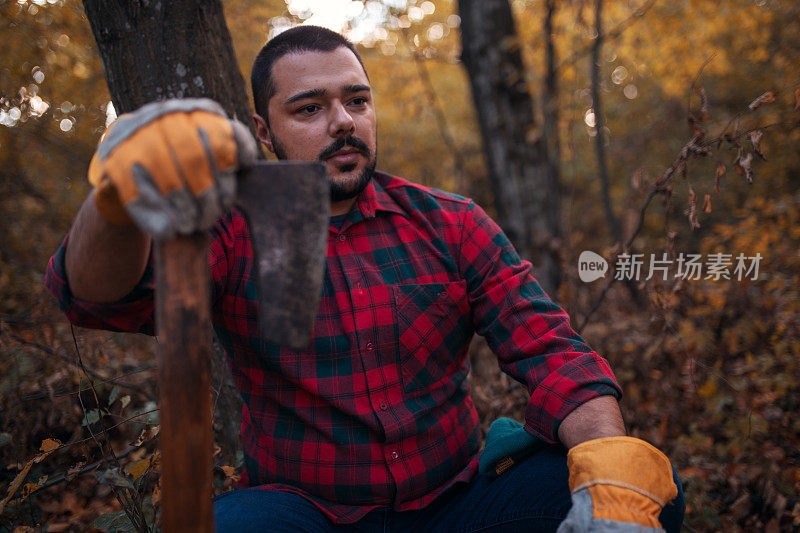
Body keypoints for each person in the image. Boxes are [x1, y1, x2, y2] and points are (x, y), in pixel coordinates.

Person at [46, 25, 684, 532]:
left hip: (459, 508)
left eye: (356, 100)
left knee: (642, 493)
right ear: (264, 132)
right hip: (306, 513)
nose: (343, 121)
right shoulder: (237, 229)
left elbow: (551, 351)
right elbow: (99, 297)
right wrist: (117, 197)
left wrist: (608, 461)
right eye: (309, 108)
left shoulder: (449, 222)